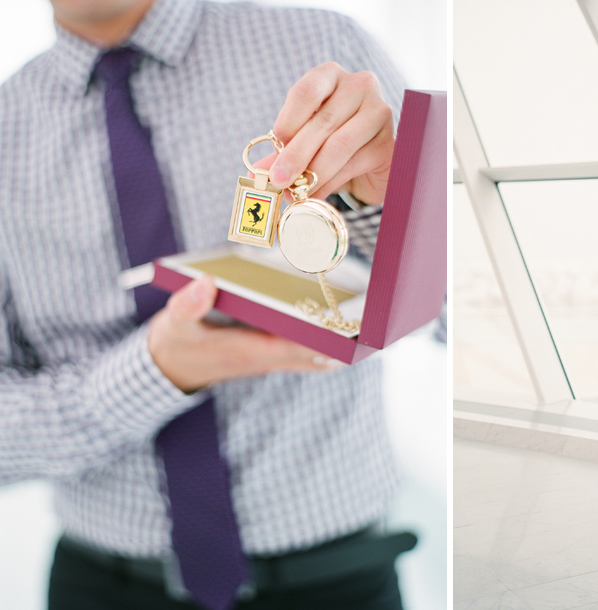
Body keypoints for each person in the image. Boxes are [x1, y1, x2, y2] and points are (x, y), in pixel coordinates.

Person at [0, 0, 422, 608]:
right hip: (102, 585)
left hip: (336, 577)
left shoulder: (323, 52)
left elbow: (448, 307)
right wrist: (158, 370)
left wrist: (382, 208)